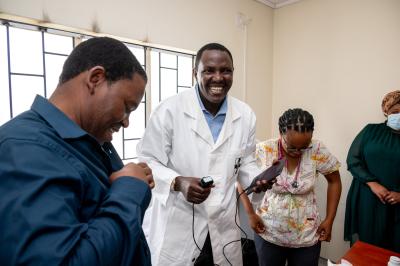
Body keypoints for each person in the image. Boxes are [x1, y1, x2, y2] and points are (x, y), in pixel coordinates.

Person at [0, 37, 155, 265]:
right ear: (95, 79)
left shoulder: (87, 138)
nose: (126, 123)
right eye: (126, 107)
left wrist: (130, 180)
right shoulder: (25, 148)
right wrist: (129, 190)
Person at [136, 43, 265, 266]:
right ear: (195, 73)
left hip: (223, 224)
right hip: (179, 224)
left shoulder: (245, 115)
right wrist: (177, 182)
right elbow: (147, 161)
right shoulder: (169, 110)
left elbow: (246, 161)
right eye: (209, 70)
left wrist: (257, 180)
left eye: (225, 70)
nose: (218, 77)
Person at [239, 108, 342, 266]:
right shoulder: (265, 150)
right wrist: (250, 214)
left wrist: (329, 219)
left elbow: (334, 181)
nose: (298, 152)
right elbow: (240, 181)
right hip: (268, 231)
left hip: (306, 235)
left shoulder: (317, 149)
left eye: (304, 147)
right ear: (280, 133)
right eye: (292, 147)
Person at [344, 90, 400, 253]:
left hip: (398, 207)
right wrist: (373, 184)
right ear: (386, 112)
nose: (399, 115)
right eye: (395, 112)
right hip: (368, 199)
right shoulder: (370, 131)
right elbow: (353, 160)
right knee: (368, 250)